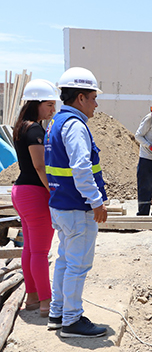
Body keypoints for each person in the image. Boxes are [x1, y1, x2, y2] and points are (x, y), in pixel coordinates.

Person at [44, 67, 108, 337]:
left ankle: (58, 313)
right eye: (93, 97)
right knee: (78, 265)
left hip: (60, 205)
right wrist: (96, 201)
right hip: (76, 208)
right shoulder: (75, 126)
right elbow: (81, 168)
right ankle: (72, 320)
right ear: (80, 98)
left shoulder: (55, 123)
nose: (95, 104)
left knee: (64, 261)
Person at [12, 79, 58, 317]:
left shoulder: (20, 127)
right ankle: (46, 302)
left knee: (30, 248)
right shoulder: (36, 130)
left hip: (20, 191)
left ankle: (32, 297)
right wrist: (54, 192)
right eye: (49, 104)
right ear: (36, 103)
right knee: (40, 252)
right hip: (35, 192)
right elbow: (40, 167)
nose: (53, 110)